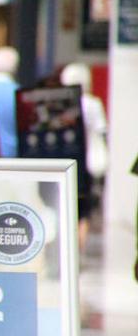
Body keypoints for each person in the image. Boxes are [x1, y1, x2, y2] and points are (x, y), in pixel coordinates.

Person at [61, 62, 109, 251]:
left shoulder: (62, 104)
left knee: (66, 206)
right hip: (86, 162)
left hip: (66, 161)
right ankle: (77, 251)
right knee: (83, 210)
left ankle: (66, 250)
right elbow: (101, 130)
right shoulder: (93, 104)